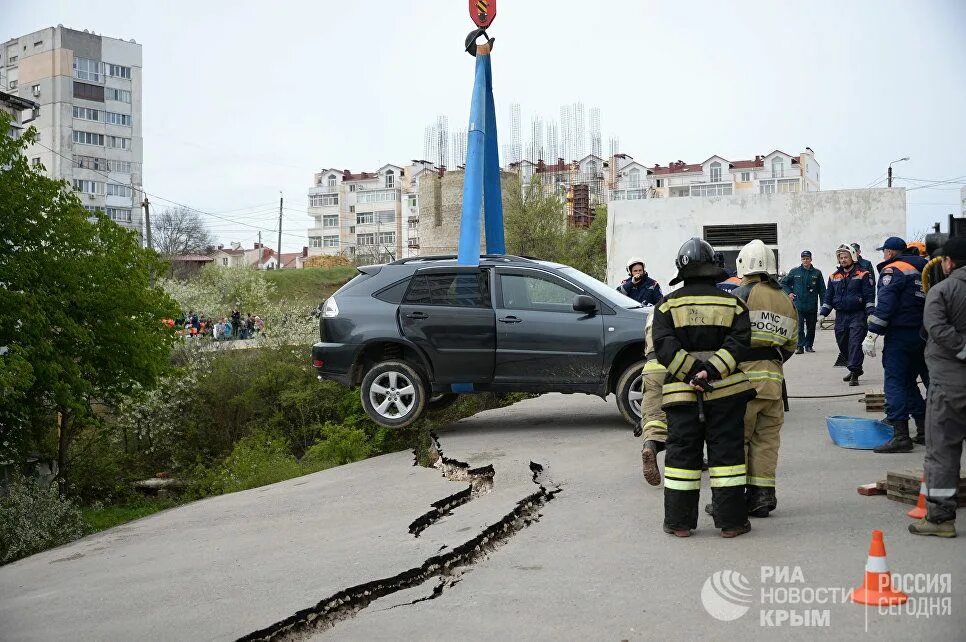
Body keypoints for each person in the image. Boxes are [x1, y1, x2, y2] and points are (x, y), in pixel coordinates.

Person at [652, 238, 755, 538]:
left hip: (680, 396)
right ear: (713, 269)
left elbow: (663, 346)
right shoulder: (735, 303)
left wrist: (691, 375)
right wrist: (708, 372)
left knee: (682, 458)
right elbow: (739, 345)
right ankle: (732, 523)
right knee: (727, 458)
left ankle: (679, 523)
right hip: (725, 395)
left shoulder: (667, 305)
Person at [729, 240, 798, 517]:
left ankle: (731, 501)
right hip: (774, 383)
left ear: (743, 264)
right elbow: (791, 345)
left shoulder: (738, 295)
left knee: (736, 441)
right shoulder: (785, 300)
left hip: (741, 383)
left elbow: (724, 338)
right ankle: (763, 496)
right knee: (767, 442)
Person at [909, 237, 966, 538]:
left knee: (943, 449)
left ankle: (940, 518)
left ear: (949, 262)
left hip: (950, 383)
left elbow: (936, 328)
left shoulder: (943, 290)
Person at [863, 236, 929, 453]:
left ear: (890, 252)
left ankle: (900, 435)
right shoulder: (924, 269)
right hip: (922, 334)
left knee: (895, 382)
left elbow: (886, 304)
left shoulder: (893, 270)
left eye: (884, 252)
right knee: (911, 382)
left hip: (900, 335)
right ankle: (923, 431)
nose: (883, 256)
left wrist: (872, 334)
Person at [820, 244, 875, 386]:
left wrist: (870, 313)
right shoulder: (834, 277)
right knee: (843, 344)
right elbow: (828, 297)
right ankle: (854, 368)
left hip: (858, 315)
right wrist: (823, 313)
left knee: (855, 344)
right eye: (841, 257)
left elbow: (869, 296)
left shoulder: (863, 274)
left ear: (853, 257)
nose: (843, 260)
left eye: (846, 257)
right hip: (841, 316)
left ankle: (855, 373)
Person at [637, 313, 668, 486]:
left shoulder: (653, 312)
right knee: (682, 416)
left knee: (653, 418)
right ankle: (695, 460)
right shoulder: (680, 305)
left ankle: (650, 447)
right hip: (675, 364)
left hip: (651, 367)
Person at [781, 250, 826, 354]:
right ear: (801, 259)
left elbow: (822, 290)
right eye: (803, 259)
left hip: (811, 305)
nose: (805, 260)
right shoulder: (795, 272)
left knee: (811, 328)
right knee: (800, 327)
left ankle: (809, 345)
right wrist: (789, 293)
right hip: (799, 305)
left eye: (807, 258)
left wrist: (823, 306)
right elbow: (784, 283)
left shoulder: (817, 273)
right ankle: (800, 346)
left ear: (811, 259)